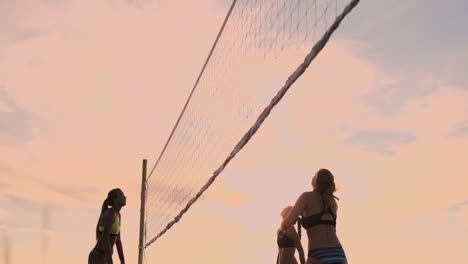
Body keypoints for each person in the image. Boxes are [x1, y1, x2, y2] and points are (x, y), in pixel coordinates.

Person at [279, 169, 347, 264]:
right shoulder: (332, 202)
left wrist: (285, 222)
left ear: (316, 181)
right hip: (338, 253)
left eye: (314, 176)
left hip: (318, 252)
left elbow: (286, 224)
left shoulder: (306, 197)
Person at [89, 188, 127, 264]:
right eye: (122, 195)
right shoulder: (110, 213)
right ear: (115, 199)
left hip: (105, 257)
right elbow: (105, 237)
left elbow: (118, 240)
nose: (125, 197)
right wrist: (110, 261)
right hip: (98, 256)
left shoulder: (118, 215)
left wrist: (122, 261)